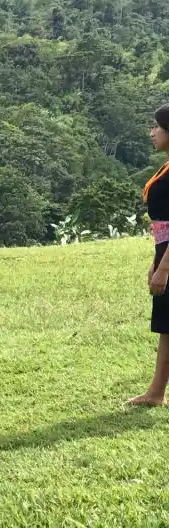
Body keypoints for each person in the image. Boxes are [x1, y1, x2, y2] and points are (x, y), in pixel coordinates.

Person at [129, 103, 169, 407]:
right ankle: (156, 393)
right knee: (167, 326)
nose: (151, 132)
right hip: (163, 250)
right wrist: (156, 260)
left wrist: (164, 268)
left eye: (157, 127)